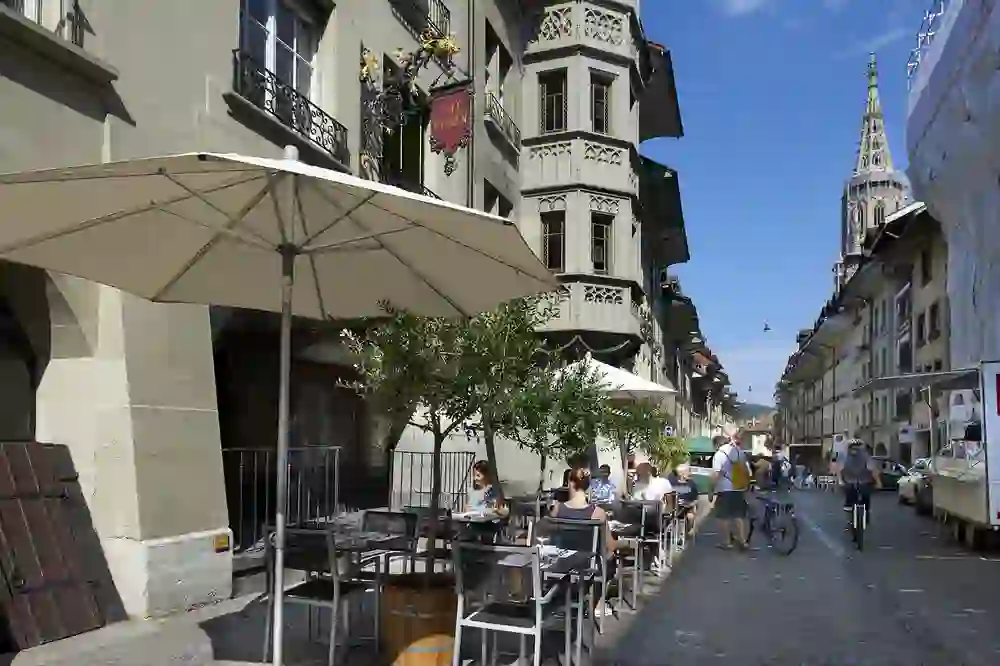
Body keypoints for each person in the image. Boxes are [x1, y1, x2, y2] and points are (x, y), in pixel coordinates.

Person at [551, 467, 617, 616]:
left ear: (569, 483)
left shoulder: (557, 509)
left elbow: (551, 538)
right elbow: (610, 545)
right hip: (587, 565)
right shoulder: (598, 513)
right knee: (611, 556)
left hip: (562, 562)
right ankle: (597, 604)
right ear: (588, 485)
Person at [711, 433, 751, 550]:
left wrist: (711, 490)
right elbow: (746, 470)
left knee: (723, 516)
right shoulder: (739, 451)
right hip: (739, 487)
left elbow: (716, 474)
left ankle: (726, 542)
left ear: (716, 444)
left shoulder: (719, 454)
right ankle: (743, 540)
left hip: (725, 488)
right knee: (739, 515)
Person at [840, 439, 882, 526]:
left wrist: (878, 481)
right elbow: (839, 469)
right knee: (850, 499)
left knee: (865, 497)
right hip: (851, 481)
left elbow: (873, 470)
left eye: (857, 447)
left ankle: (865, 514)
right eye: (853, 448)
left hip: (863, 481)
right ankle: (850, 517)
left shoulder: (866, 457)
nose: (855, 450)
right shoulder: (844, 457)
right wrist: (840, 480)